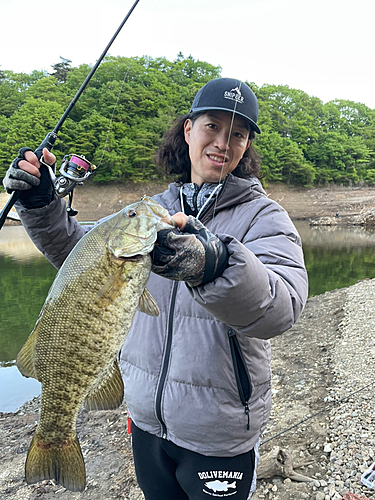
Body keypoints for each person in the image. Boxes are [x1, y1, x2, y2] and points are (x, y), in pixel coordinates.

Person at [3, 77, 308, 499]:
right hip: (145, 422)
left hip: (218, 434)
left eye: (237, 134)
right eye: (212, 127)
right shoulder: (153, 212)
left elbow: (283, 307)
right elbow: (82, 254)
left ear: (246, 147)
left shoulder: (265, 218)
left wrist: (215, 263)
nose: (223, 142)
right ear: (188, 130)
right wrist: (40, 205)